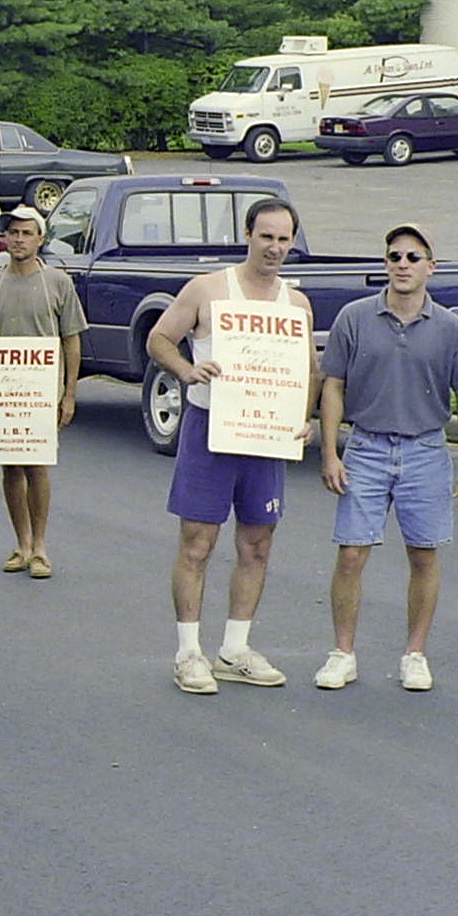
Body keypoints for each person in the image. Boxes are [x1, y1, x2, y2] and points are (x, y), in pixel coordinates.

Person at [146, 197, 318, 694]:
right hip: (211, 428)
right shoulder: (208, 289)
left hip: (266, 435)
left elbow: (308, 369)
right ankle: (188, 652)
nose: (274, 248)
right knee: (198, 542)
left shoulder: (296, 304)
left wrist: (303, 417)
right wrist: (186, 370)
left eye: (284, 239)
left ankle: (235, 649)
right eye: (266, 236)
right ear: (247, 235)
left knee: (257, 543)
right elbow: (160, 339)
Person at [315, 224, 458, 693]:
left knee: (424, 555)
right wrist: (330, 452)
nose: (403, 265)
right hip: (366, 447)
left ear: (431, 266)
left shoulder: (449, 328)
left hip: (426, 449)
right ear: (385, 263)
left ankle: (415, 654)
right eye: (394, 256)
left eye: (413, 257)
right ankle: (342, 654)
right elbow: (333, 386)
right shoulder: (355, 317)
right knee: (351, 553)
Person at [0, 205, 88, 578]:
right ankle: (22, 543)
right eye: (13, 233)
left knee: (37, 464)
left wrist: (69, 394)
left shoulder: (58, 283)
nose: (18, 240)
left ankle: (41, 547)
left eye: (26, 233)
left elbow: (71, 340)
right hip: (1, 392)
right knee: (10, 466)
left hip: (41, 392)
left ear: (40, 239)